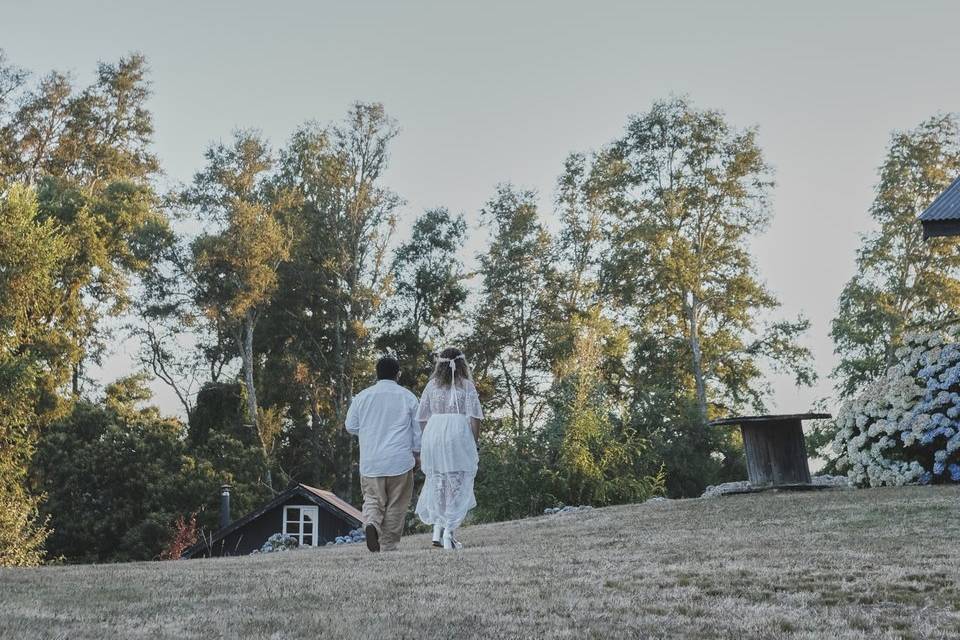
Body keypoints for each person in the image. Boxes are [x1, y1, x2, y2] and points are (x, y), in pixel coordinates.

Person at [345, 355, 420, 552]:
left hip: (371, 461)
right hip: (400, 461)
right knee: (397, 503)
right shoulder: (408, 396)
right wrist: (417, 454)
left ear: (376, 374)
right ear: (398, 374)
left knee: (372, 499)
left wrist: (370, 430)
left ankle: (371, 524)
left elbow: (351, 426)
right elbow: (418, 430)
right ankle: (388, 545)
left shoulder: (362, 397)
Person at [414, 347, 483, 550]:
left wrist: (429, 437)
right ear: (462, 364)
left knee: (438, 481)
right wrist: (473, 441)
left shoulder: (431, 386)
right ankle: (448, 535)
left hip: (434, 434)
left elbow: (421, 417)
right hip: (457, 434)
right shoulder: (466, 385)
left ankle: (438, 530)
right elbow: (476, 417)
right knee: (456, 481)